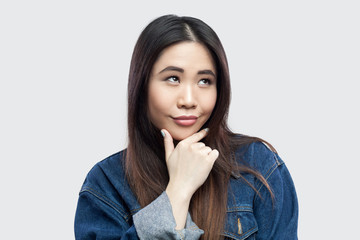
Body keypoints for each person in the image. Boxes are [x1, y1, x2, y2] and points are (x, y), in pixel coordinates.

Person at [74, 14, 298, 239]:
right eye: (173, 78)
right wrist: (178, 192)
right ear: (142, 85)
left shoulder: (259, 166)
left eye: (204, 81)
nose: (189, 100)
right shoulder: (106, 184)